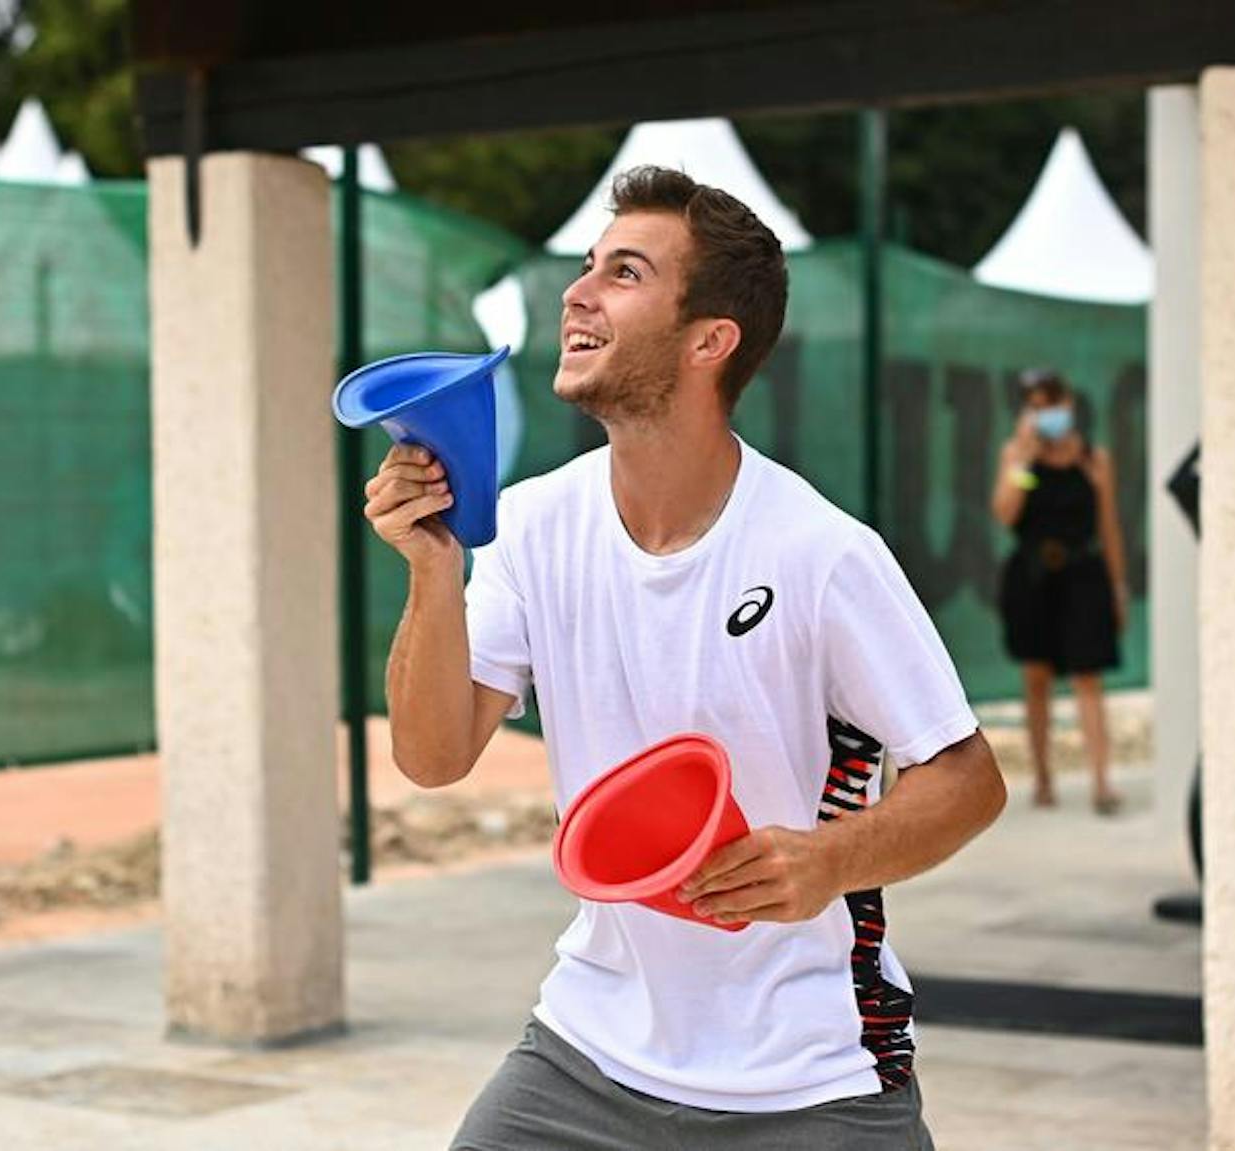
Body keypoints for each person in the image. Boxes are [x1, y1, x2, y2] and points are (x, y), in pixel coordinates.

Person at [362, 166, 1006, 1150]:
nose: (576, 294)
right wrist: (431, 568)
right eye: (585, 268)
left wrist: (829, 856)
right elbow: (432, 752)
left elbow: (966, 781)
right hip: (586, 1051)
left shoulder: (818, 551)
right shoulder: (533, 525)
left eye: (621, 272)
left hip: (811, 1076)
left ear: (709, 340)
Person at [989, 369, 1130, 814]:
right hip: (1033, 577)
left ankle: (1102, 781)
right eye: (1035, 404)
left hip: (1083, 576)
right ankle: (1043, 776)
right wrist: (1024, 461)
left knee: (1089, 677)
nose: (1045, 412)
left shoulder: (1093, 460)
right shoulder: (1017, 456)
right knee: (1037, 679)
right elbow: (1006, 513)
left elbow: (1108, 527)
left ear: (1068, 404)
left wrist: (1117, 586)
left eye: (1051, 402)